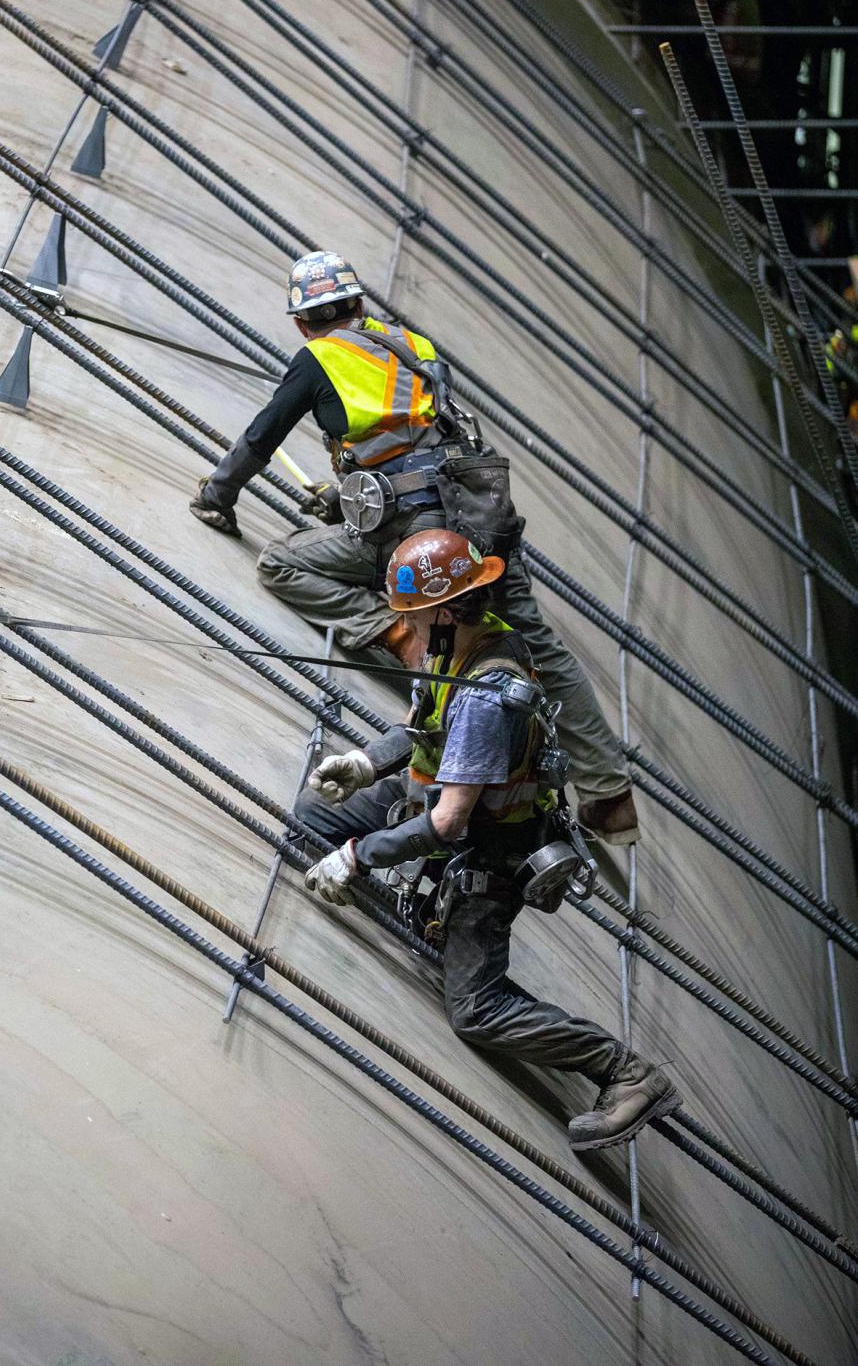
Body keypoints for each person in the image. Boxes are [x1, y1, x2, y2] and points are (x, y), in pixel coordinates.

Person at [191, 250, 638, 844]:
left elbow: (259, 439)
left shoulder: (317, 358)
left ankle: (408, 639)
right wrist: (348, 496)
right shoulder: (413, 346)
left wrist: (216, 497)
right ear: (359, 305)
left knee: (283, 563)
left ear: (302, 323)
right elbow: (416, 444)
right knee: (538, 645)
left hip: (415, 537)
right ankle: (609, 796)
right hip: (478, 515)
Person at [297, 528, 680, 1152]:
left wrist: (358, 858)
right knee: (311, 817)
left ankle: (625, 1071)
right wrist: (368, 763)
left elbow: (449, 823)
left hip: (485, 854)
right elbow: (421, 724)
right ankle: (407, 890)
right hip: (428, 804)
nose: (408, 628)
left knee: (475, 1010)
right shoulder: (459, 643)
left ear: (445, 611)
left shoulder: (487, 695)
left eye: (415, 616)